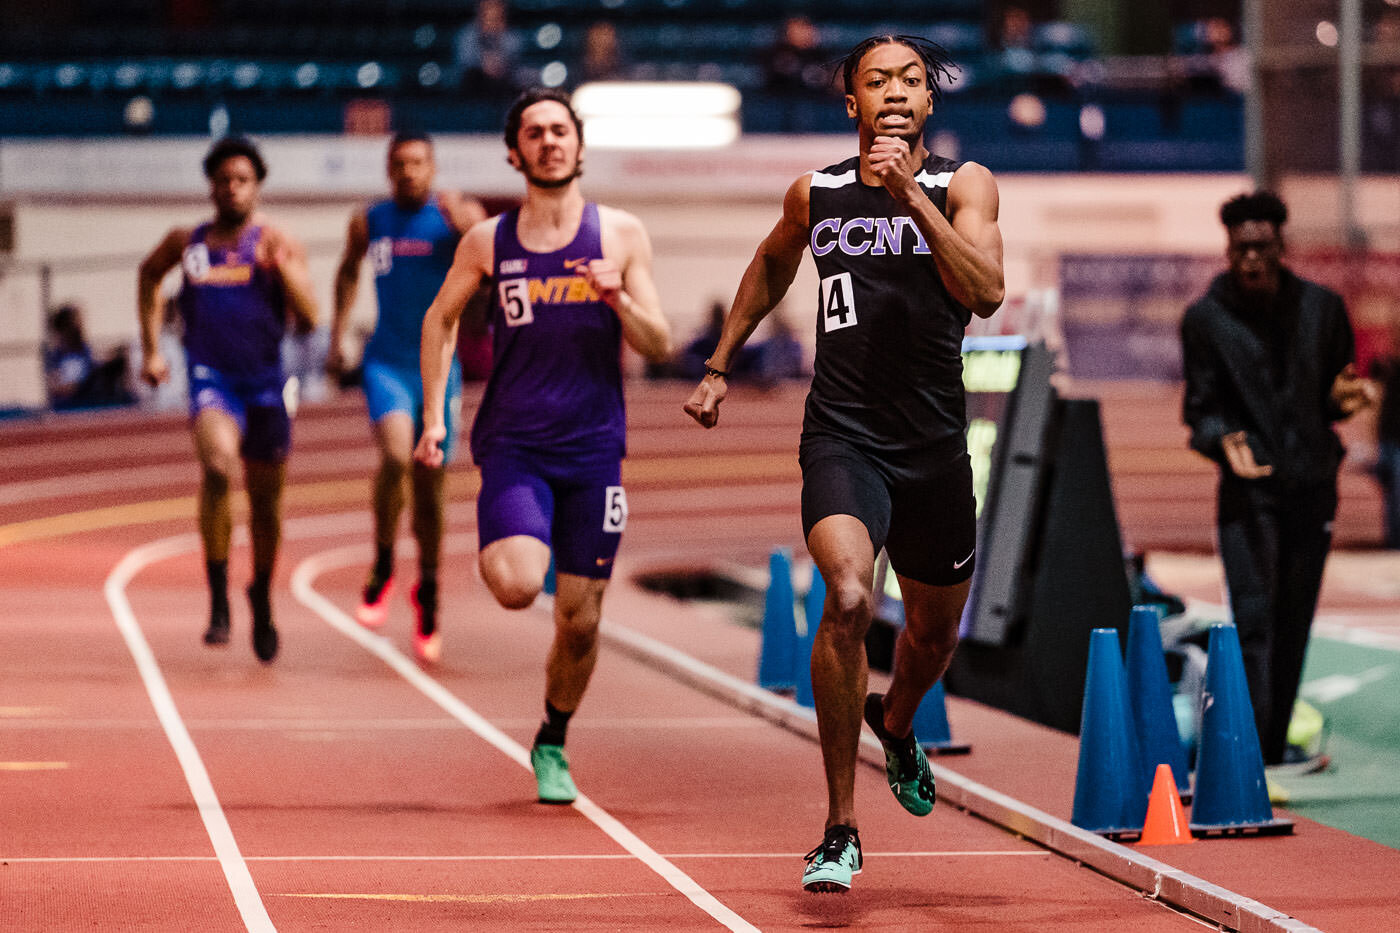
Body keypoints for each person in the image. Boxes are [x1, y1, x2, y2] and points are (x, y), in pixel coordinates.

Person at [684, 36, 1005, 893]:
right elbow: (771, 263)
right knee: (852, 597)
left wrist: (908, 195)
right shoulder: (816, 192)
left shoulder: (963, 185)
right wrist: (719, 365)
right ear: (852, 106)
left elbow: (984, 289)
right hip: (844, 436)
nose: (896, 93)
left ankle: (896, 725)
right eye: (877, 82)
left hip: (934, 449)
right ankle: (840, 826)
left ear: (928, 105)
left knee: (934, 634)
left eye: (911, 81)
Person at [415, 89, 672, 802]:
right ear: (514, 152)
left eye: (561, 130)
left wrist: (620, 299)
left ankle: (551, 738)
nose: (550, 141)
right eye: (535, 132)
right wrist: (434, 417)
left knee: (582, 621)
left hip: (595, 451)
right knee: (518, 584)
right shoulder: (489, 243)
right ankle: (515, 531)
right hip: (516, 444)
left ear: (580, 146)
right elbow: (438, 322)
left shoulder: (621, 234)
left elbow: (661, 342)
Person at [1181, 191, 1377, 773]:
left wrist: (1347, 397)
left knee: (1294, 619)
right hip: (1247, 494)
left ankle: (1270, 748)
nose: (1250, 261)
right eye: (1239, 249)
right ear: (1227, 249)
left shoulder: (1323, 309)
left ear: (1281, 246)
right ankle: (1248, 749)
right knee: (1255, 618)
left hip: (1313, 487)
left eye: (1261, 247)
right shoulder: (1205, 319)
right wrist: (1223, 440)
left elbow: (1336, 391)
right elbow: (1200, 410)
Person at [137, 136, 319, 662]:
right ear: (211, 187)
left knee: (266, 506)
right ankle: (218, 597)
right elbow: (148, 275)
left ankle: (260, 593)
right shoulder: (187, 244)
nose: (233, 189)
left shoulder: (277, 241)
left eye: (242, 180)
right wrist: (153, 348)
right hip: (210, 376)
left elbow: (310, 318)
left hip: (265, 382)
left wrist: (282, 270)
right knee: (217, 468)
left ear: (257, 186)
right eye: (224, 180)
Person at [328, 132, 486, 663]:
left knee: (430, 483)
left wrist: (469, 227)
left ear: (433, 167)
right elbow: (347, 272)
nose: (408, 172)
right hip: (387, 363)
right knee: (396, 456)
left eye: (418, 163)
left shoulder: (453, 216)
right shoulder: (369, 221)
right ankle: (382, 561)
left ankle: (431, 586)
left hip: (440, 368)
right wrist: (335, 335)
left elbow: (493, 265)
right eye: (399, 164)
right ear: (387, 168)